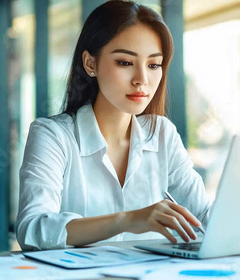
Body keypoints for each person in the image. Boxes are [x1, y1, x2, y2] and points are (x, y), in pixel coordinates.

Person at [15, 0, 211, 251]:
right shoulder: (53, 136)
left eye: (153, 65)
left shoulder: (162, 134)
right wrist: (128, 219)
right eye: (125, 62)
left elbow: (205, 216)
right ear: (90, 64)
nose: (142, 79)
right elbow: (32, 230)